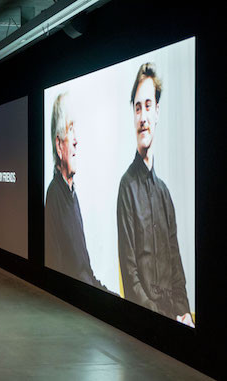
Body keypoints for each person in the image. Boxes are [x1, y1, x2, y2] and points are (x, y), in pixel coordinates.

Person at [117, 63, 193, 327]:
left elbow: (178, 273)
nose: (142, 117)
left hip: (174, 318)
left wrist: (183, 315)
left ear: (157, 112)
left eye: (148, 106)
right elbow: (130, 277)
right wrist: (166, 320)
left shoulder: (165, 194)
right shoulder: (126, 187)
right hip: (146, 322)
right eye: (137, 108)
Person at [45, 92, 108, 290]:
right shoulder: (54, 196)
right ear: (58, 145)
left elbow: (84, 270)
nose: (76, 140)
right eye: (70, 130)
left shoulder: (72, 195)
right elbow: (58, 272)